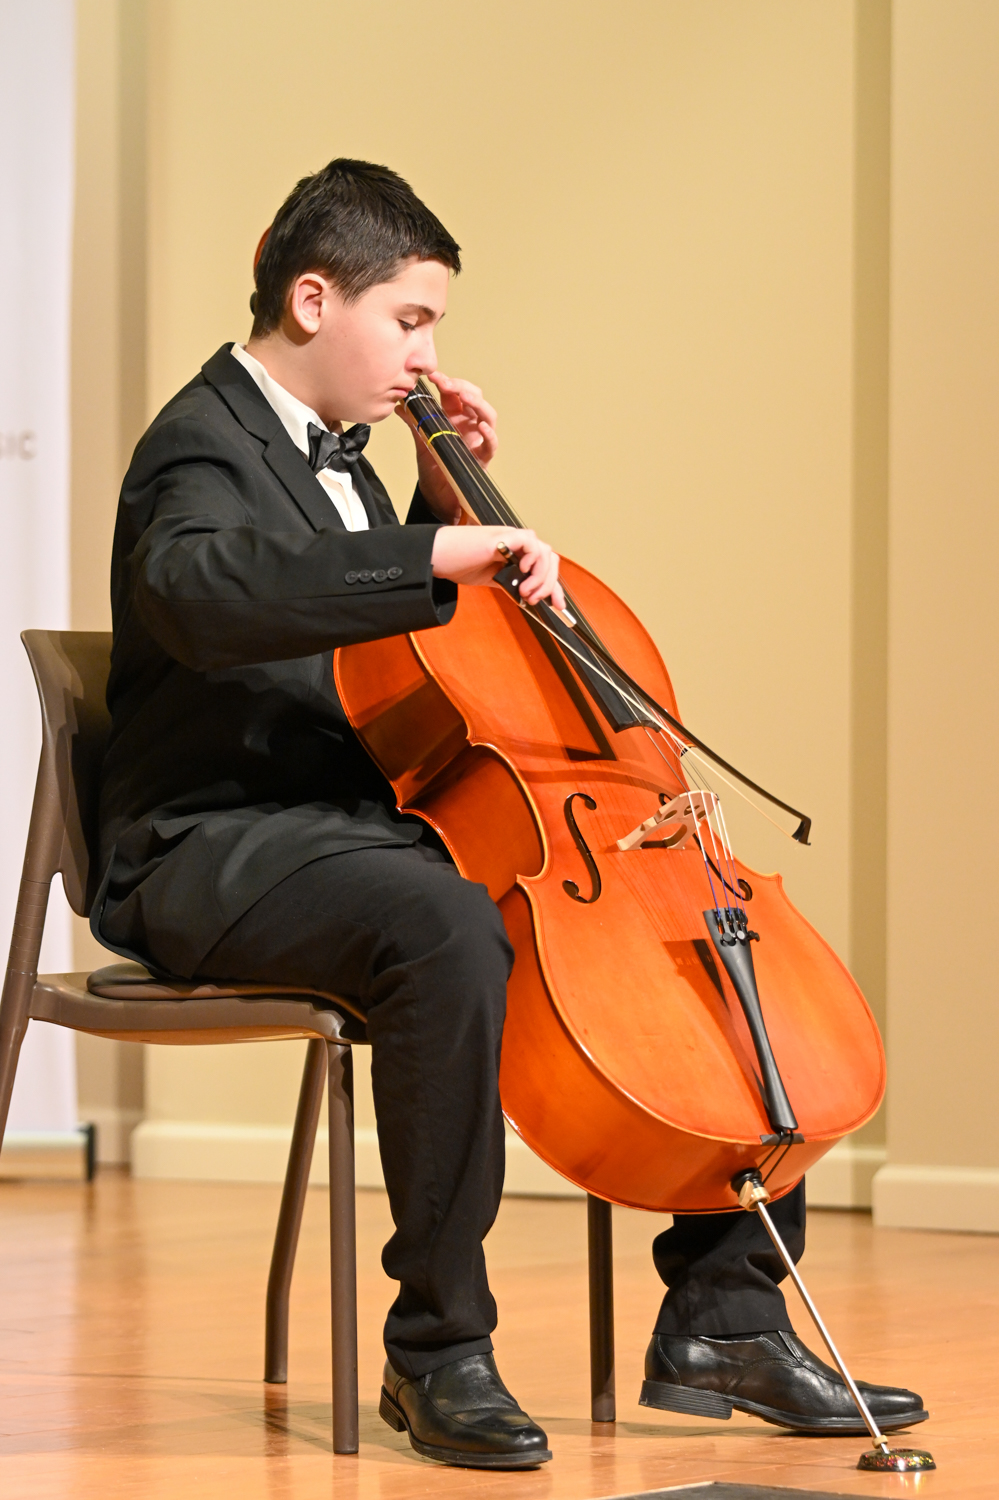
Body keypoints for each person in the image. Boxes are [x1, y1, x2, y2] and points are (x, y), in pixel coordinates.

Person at [92, 158, 927, 1469]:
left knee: (687, 935)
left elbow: (381, 672)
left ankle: (727, 1320)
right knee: (440, 925)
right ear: (313, 300)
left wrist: (438, 499)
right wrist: (435, 549)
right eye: (410, 319)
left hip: (356, 830)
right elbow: (205, 590)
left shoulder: (358, 462)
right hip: (215, 844)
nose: (428, 353)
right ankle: (437, 1350)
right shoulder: (197, 441)